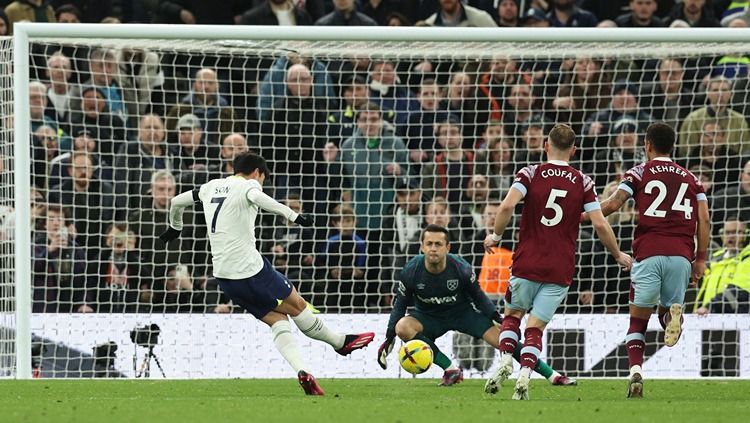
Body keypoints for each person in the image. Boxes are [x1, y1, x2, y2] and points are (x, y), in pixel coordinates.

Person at [159, 152, 374, 395]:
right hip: (251, 270)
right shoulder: (248, 185)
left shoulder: (211, 187)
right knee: (298, 305)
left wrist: (174, 228)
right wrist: (293, 216)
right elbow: (257, 197)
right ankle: (339, 342)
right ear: (257, 173)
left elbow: (176, 201)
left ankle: (303, 371)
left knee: (277, 320)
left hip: (224, 278)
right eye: (263, 178)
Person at [483, 123, 632, 400]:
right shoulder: (583, 181)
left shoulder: (529, 173)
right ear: (574, 150)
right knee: (535, 328)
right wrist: (617, 254)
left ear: (545, 145)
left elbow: (506, 206)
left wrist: (495, 235)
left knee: (513, 316)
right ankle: (525, 376)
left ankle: (505, 360)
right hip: (560, 267)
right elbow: (599, 223)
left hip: (527, 261)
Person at [377, 224, 577, 386]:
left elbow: (477, 295)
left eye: (438, 244)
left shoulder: (461, 268)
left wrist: (496, 317)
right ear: (421, 246)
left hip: (463, 314)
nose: (433, 248)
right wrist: (389, 336)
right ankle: (451, 369)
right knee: (402, 327)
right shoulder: (410, 270)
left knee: (503, 340)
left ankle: (553, 376)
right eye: (429, 243)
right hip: (427, 316)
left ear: (448, 247)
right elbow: (400, 304)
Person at [594, 122, 710, 398]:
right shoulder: (693, 179)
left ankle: (636, 371)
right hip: (682, 256)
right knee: (667, 310)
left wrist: (580, 216)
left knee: (637, 321)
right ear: (674, 146)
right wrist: (701, 259)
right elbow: (704, 219)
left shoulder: (638, 172)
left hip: (648, 253)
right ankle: (672, 316)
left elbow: (612, 205)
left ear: (647, 144)